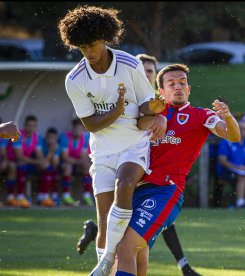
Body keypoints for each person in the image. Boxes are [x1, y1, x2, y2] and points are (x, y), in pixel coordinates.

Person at [58, 6, 167, 275]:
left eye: (92, 45)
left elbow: (145, 107)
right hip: (103, 151)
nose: (89, 53)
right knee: (104, 223)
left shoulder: (130, 65)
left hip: (133, 146)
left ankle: (106, 261)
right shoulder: (75, 79)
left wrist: (154, 108)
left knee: (125, 183)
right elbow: (90, 124)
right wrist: (116, 111)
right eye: (82, 48)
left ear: (105, 38)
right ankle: (106, 262)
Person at [77, 54, 202, 276]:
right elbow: (133, 121)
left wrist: (159, 117)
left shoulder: (157, 103)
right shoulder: (125, 96)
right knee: (124, 242)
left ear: (155, 79)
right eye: (141, 71)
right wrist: (156, 118)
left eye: (150, 72)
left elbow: (156, 115)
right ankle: (101, 245)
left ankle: (182, 264)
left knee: (132, 245)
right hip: (119, 169)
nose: (145, 75)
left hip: (156, 184)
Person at [115, 63, 240, 276]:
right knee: (137, 254)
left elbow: (233, 135)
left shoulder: (202, 116)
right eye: (172, 84)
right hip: (135, 190)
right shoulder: (150, 113)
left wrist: (227, 116)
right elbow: (134, 123)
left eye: (182, 83)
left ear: (189, 89)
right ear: (161, 91)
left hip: (165, 191)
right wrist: (157, 118)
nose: (178, 87)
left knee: (126, 247)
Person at [6, 115, 48, 208]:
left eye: (34, 126)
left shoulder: (37, 136)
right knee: (17, 165)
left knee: (46, 166)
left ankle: (42, 197)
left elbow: (39, 155)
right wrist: (37, 162)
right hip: (13, 160)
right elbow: (19, 156)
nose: (31, 128)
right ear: (25, 125)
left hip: (27, 161)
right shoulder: (18, 134)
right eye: (29, 125)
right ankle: (14, 197)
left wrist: (42, 162)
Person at [216, 120, 245, 208]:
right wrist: (237, 167)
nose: (243, 131)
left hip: (244, 169)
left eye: (244, 129)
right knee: (242, 176)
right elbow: (222, 160)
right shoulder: (226, 142)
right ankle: (240, 203)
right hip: (227, 171)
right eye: (240, 129)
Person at [59, 118, 93, 206]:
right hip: (65, 164)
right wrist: (79, 161)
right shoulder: (65, 137)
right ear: (72, 129)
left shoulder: (86, 137)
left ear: (83, 129)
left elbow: (84, 156)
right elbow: (65, 157)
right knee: (68, 166)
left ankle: (87, 196)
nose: (78, 131)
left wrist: (80, 161)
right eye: (76, 129)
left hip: (78, 163)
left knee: (87, 166)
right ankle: (66, 196)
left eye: (80, 129)